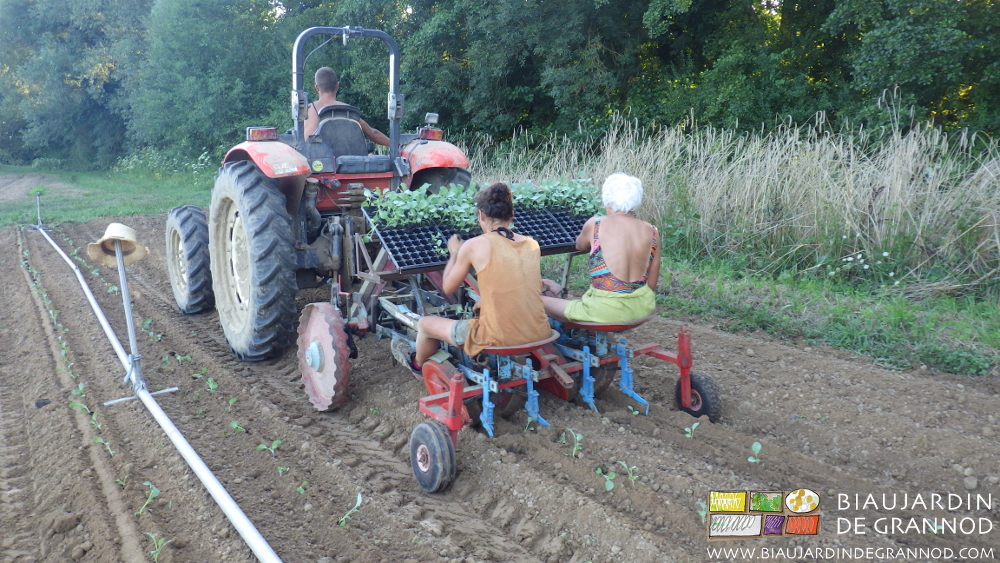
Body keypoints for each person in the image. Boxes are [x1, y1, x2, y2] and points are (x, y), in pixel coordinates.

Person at [394, 182, 551, 374]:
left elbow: (447, 287)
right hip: (540, 331)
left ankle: (417, 364)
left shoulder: (475, 245)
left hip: (498, 337)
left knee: (425, 324)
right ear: (511, 216)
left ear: (481, 215)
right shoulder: (532, 244)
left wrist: (454, 252)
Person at [542, 173, 661, 323]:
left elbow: (580, 245)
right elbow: (651, 284)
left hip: (604, 311)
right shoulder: (652, 231)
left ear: (606, 199)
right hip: (642, 309)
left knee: (537, 300)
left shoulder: (596, 224)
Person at [303, 67, 390, 145]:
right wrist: (394, 145)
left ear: (316, 87)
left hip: (314, 157)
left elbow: (301, 142)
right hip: (345, 157)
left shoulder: (306, 111)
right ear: (337, 85)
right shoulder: (348, 110)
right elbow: (372, 134)